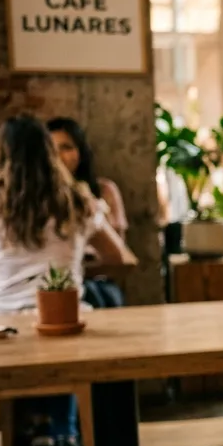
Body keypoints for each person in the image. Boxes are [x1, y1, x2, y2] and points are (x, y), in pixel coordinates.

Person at [0, 116, 130, 446]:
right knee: (72, 328)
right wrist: (77, 253)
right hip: (61, 320)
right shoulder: (78, 200)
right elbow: (120, 258)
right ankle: (65, 436)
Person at [46, 117, 132, 308]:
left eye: (66, 147)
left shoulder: (103, 190)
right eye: (52, 149)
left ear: (80, 152)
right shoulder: (39, 199)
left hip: (97, 280)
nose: (59, 156)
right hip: (55, 282)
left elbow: (120, 252)